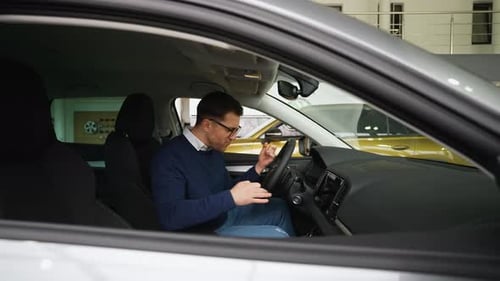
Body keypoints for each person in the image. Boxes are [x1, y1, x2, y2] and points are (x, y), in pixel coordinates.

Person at [151, 91, 295, 238]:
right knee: (278, 236)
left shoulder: (212, 150)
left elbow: (228, 189)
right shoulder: (169, 157)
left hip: (221, 216)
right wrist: (229, 198)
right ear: (207, 125)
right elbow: (170, 216)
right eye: (230, 130)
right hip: (202, 233)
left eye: (236, 130)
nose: (234, 137)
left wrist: (259, 167)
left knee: (279, 207)